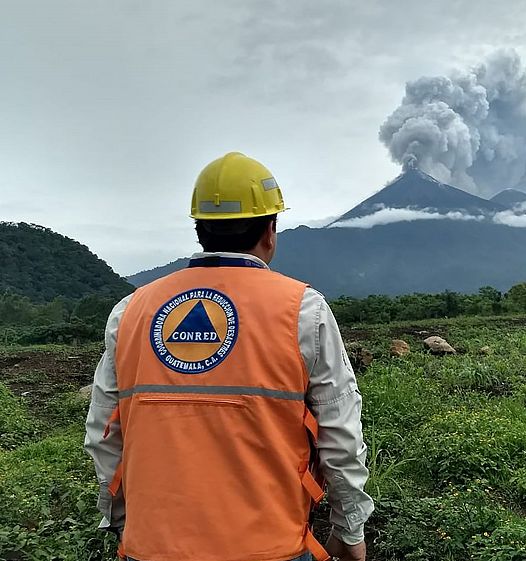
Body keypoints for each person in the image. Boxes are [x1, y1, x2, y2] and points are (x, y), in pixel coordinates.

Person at [84, 152, 373, 561]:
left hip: (152, 546)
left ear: (200, 230)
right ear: (271, 230)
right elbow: (340, 434)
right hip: (271, 547)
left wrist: (121, 520)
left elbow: (104, 434)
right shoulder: (303, 310)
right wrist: (349, 529)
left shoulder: (130, 311)